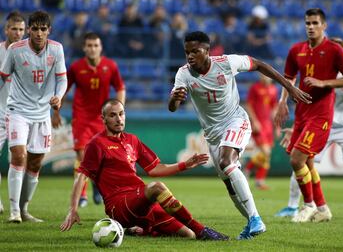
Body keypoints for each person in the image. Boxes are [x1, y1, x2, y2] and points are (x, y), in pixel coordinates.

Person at [168, 31, 311, 239]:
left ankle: (255, 218)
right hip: (213, 135)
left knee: (228, 162)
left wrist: (289, 86)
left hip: (236, 120)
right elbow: (172, 107)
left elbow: (259, 65)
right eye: (187, 52)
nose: (190, 56)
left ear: (207, 51)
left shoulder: (227, 63)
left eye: (195, 51)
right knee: (228, 181)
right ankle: (250, 223)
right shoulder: (184, 74)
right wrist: (175, 99)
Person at [60, 99, 229, 240]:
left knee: (188, 235)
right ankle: (203, 230)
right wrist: (72, 210)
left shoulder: (132, 140)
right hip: (119, 205)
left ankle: (144, 230)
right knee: (157, 187)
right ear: (103, 119)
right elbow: (81, 176)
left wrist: (185, 165)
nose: (119, 119)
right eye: (112, 115)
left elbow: (155, 168)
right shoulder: (96, 144)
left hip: (141, 201)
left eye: (121, 114)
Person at [274, 9, 343, 223]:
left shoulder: (334, 50)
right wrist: (282, 102)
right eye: (307, 22)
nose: (310, 26)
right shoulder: (296, 50)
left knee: (296, 159)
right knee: (308, 162)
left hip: (321, 115)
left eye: (315, 22)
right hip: (301, 113)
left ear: (324, 25)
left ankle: (308, 205)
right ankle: (323, 209)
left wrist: (325, 82)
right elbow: (288, 78)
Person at [0, 10, 67, 223]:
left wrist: (58, 96)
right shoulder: (15, 50)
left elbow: (62, 79)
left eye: (43, 29)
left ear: (49, 31)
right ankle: (13, 211)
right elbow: (3, 78)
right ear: (29, 30)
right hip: (17, 110)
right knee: (19, 156)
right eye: (35, 29)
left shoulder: (56, 49)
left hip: (41, 113)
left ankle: (24, 209)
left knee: (36, 162)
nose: (39, 33)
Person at [52, 32, 126, 208]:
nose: (92, 49)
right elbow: (62, 90)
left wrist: (119, 111)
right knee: (82, 155)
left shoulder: (111, 66)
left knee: (102, 157)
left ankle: (95, 183)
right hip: (82, 118)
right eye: (89, 46)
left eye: (96, 46)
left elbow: (120, 88)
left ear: (100, 48)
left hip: (103, 119)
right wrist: (56, 112)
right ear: (84, 48)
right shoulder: (77, 67)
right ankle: (83, 193)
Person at [0, 11, 26, 215]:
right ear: (6, 30)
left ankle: (18, 209)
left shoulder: (30, 54)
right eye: (14, 29)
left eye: (21, 30)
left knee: (19, 159)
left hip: (20, 115)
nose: (17, 33)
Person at [244, 74, 279, 190]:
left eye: (267, 75)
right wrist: (254, 121)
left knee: (266, 155)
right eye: (263, 75)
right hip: (259, 124)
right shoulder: (255, 88)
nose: (265, 77)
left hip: (268, 125)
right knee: (266, 152)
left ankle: (259, 180)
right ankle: (247, 170)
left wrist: (277, 126)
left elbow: (274, 108)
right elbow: (249, 105)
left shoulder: (274, 89)